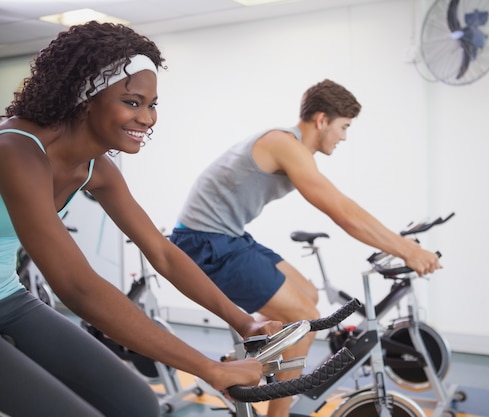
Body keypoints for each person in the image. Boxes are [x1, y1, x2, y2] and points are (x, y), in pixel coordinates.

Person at [0, 21, 281, 417]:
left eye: (151, 105)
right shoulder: (16, 151)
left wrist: (244, 322)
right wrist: (208, 369)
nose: (147, 119)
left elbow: (161, 254)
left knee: (137, 404)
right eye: (132, 102)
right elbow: (77, 288)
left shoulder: (97, 167)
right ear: (85, 97)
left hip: (6, 298)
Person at [169, 78, 443, 417]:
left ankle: (234, 365)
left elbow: (345, 207)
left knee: (308, 295)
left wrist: (402, 245)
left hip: (228, 236)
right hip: (204, 242)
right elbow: (343, 212)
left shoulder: (293, 148)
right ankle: (276, 413)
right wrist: (407, 250)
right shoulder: (285, 144)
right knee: (304, 319)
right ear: (321, 120)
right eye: (343, 127)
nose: (344, 136)